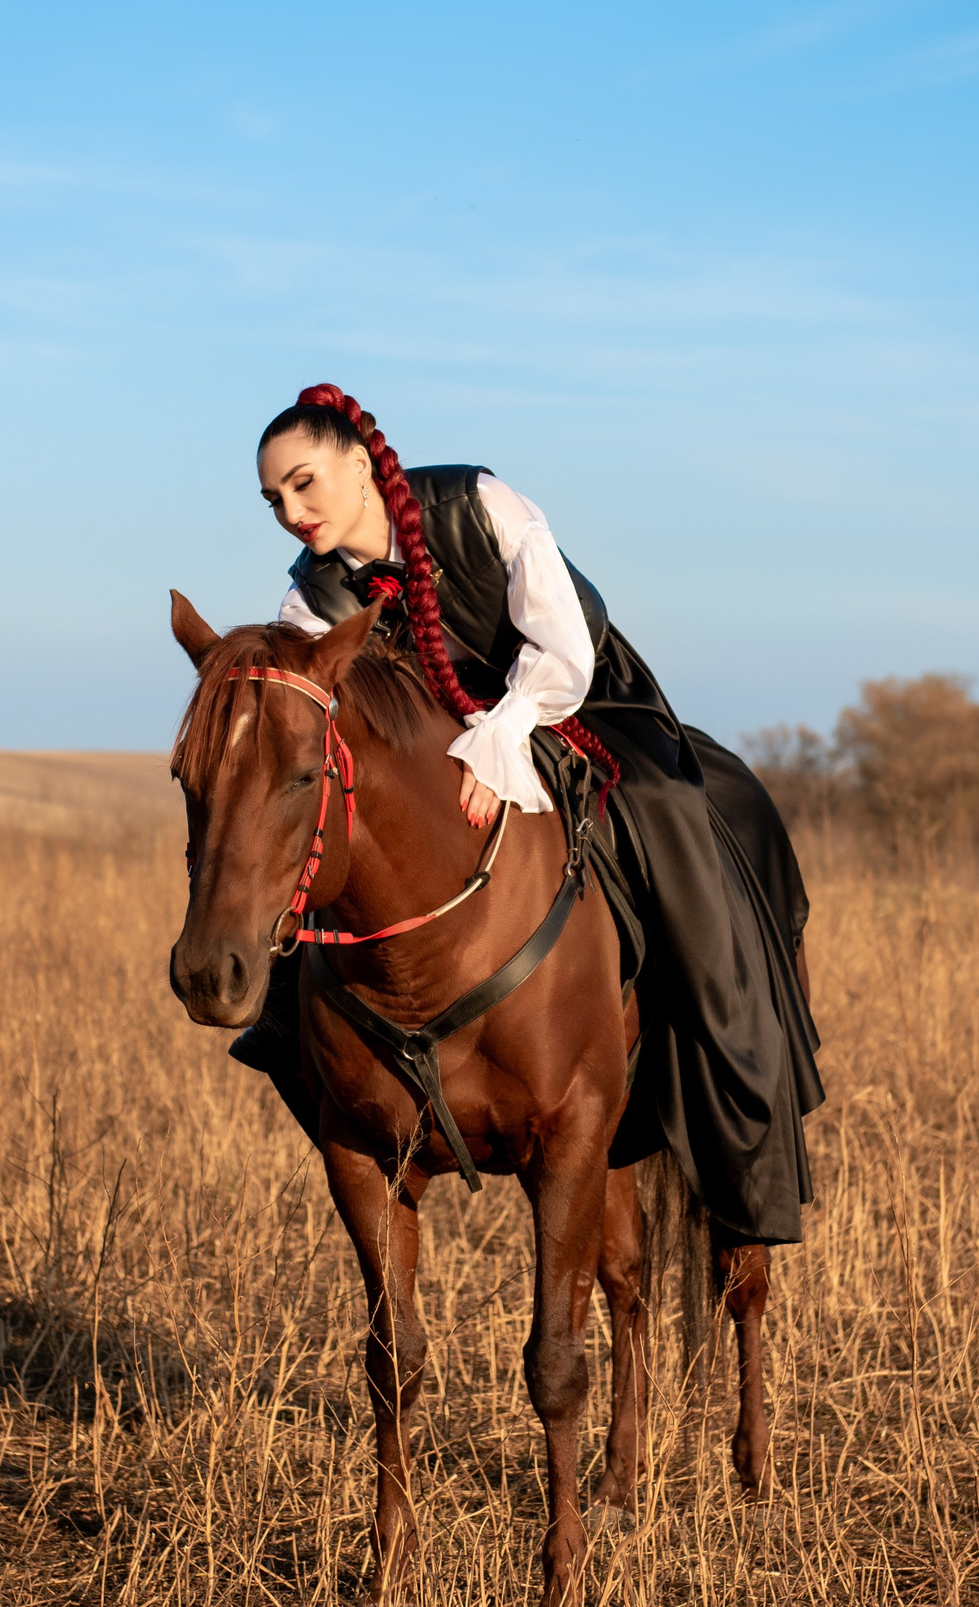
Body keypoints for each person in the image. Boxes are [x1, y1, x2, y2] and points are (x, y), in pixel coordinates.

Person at [229, 383, 824, 1245]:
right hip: (437, 753)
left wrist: (502, 732)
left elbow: (566, 642)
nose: (292, 511)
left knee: (665, 804)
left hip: (573, 700)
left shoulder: (476, 504)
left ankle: (725, 1043)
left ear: (358, 463)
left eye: (305, 483)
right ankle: (302, 1046)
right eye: (274, 498)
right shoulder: (310, 599)